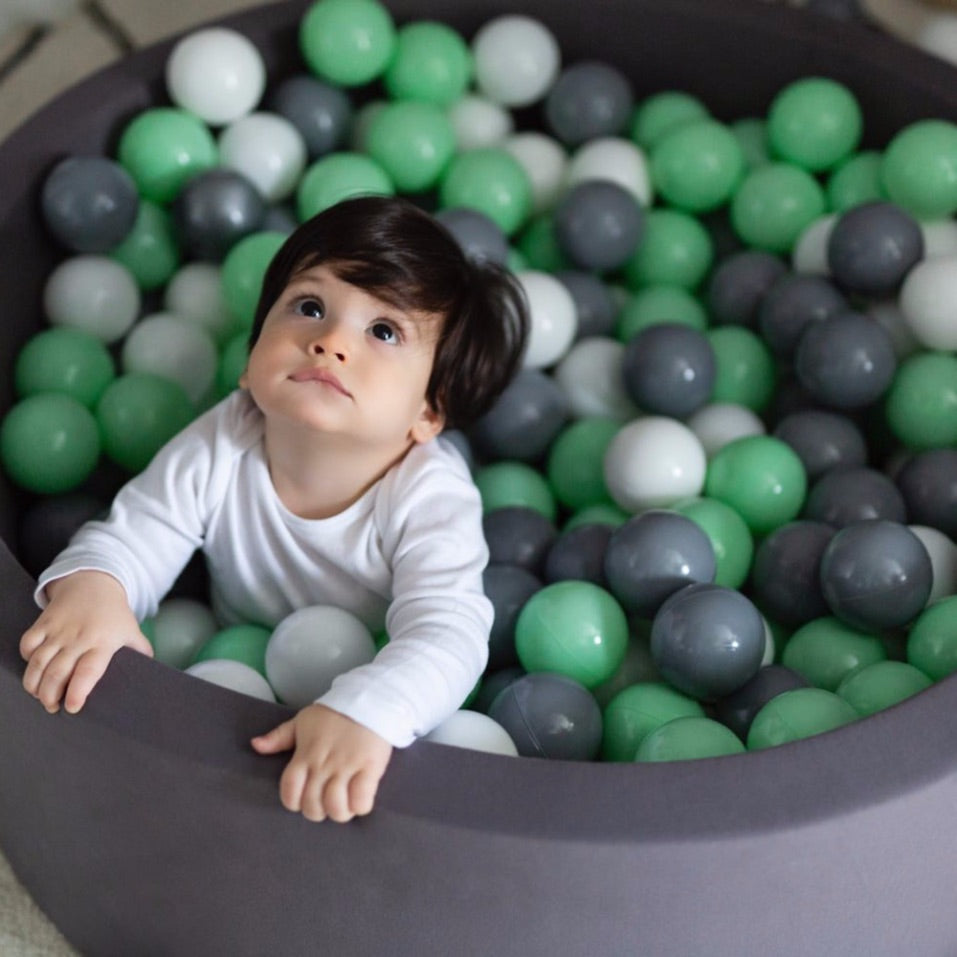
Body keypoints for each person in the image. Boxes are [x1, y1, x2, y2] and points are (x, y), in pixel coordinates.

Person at [19, 195, 529, 824]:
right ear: (251, 356)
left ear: (428, 412)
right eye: (310, 307)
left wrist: (370, 707)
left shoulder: (431, 498)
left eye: (384, 331)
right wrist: (97, 588)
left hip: (365, 691)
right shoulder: (226, 437)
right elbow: (141, 529)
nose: (331, 341)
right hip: (226, 660)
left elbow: (449, 630)